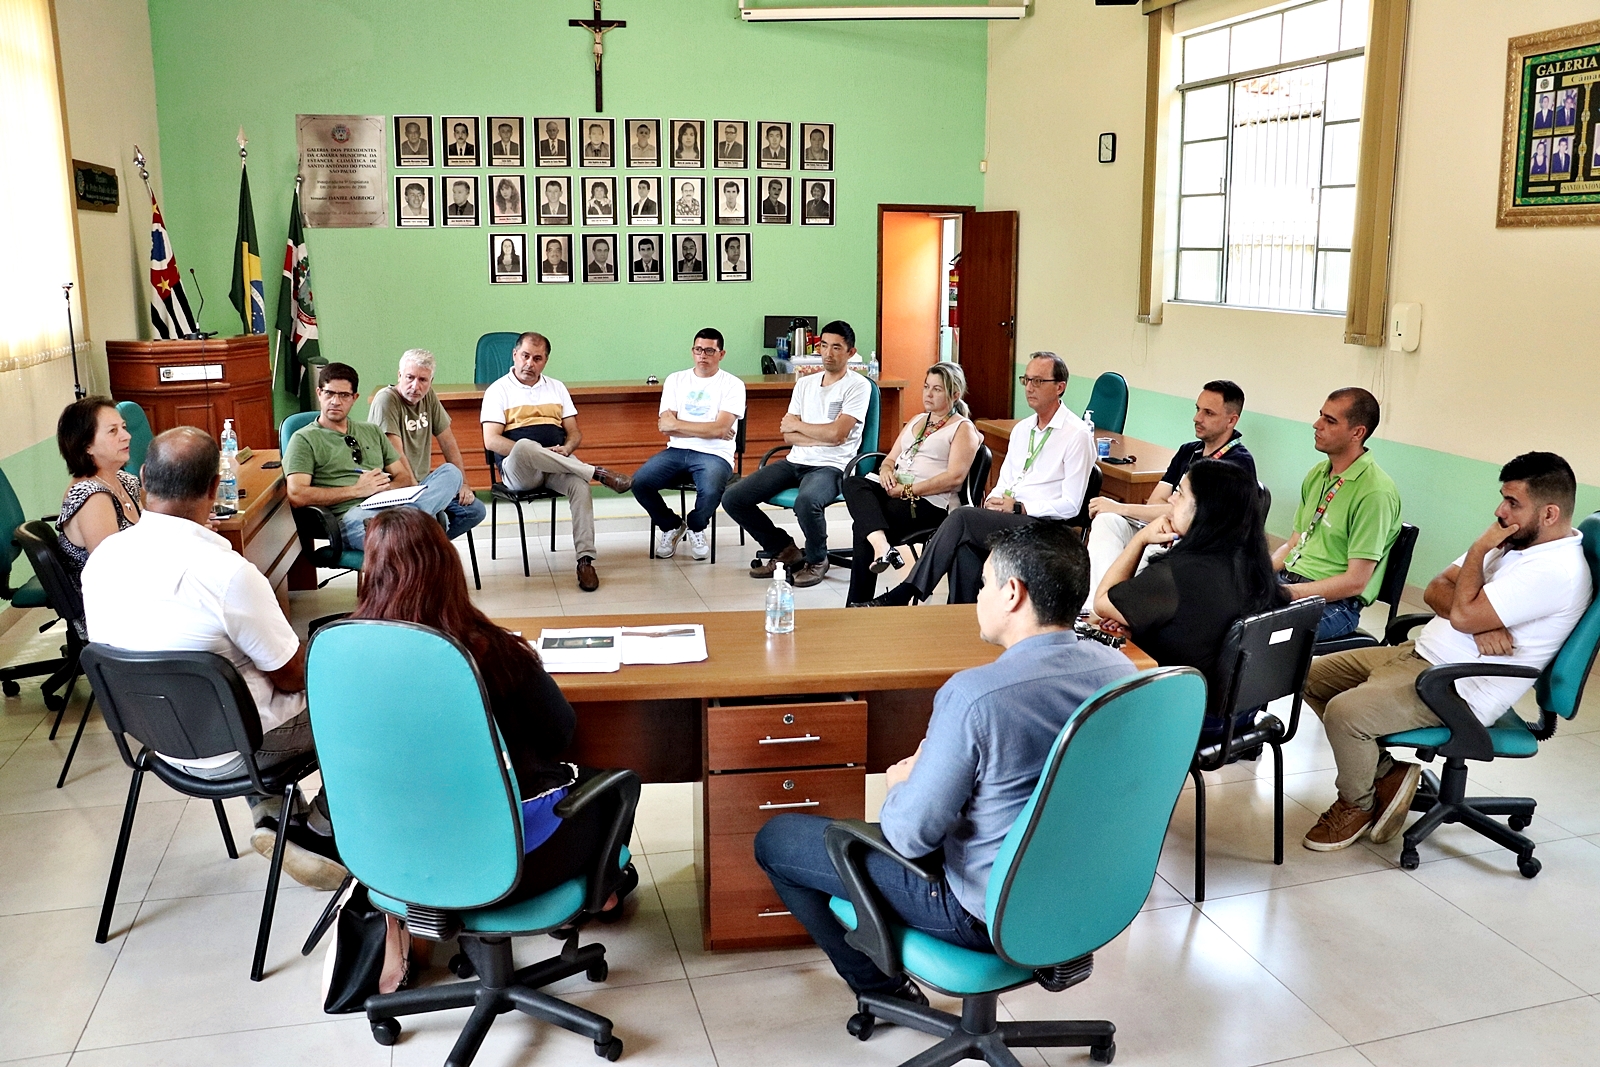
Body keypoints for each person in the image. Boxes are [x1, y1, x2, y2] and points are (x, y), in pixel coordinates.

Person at [754, 521, 1135, 1001]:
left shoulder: (977, 695)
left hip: (981, 913)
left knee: (777, 840)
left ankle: (882, 990)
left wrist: (900, 786)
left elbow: (910, 837)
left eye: (982, 584)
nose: (977, 595)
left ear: (1012, 594)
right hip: (1086, 896)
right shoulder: (1119, 670)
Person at [83, 427, 346, 890]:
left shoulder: (102, 560)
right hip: (237, 750)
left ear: (143, 478)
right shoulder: (228, 575)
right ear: (213, 488)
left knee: (230, 688)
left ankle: (272, 817)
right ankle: (318, 829)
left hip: (155, 739)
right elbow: (291, 677)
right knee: (364, 699)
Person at [1300, 452, 1592, 852]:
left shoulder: (1554, 569)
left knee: (1346, 714)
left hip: (1457, 685)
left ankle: (1357, 804)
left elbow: (1463, 613)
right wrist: (1474, 617)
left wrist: (1477, 555)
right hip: (1420, 653)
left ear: (1550, 513)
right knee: (1309, 677)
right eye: (1503, 498)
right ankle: (1388, 775)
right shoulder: (1516, 541)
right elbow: (1438, 588)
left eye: (1512, 503)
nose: (1500, 511)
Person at [350, 507, 638, 908]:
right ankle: (604, 894)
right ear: (447, 566)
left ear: (371, 571)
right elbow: (560, 733)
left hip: (399, 860)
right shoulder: (490, 652)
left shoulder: (346, 658)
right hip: (507, 865)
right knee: (614, 787)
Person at [866, 353, 1095, 606]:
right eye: (1026, 379)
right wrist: (995, 500)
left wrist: (1021, 508)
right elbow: (1005, 481)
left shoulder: (1077, 435)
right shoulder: (1022, 429)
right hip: (1011, 516)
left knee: (962, 517)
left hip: (1045, 525)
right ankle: (959, 615)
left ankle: (904, 593)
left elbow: (1072, 505)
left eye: (1038, 381)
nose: (1029, 387)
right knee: (965, 546)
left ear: (1060, 387)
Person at [1093, 459, 1287, 735]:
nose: (1171, 500)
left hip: (1182, 716)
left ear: (1206, 510)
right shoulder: (1253, 564)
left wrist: (1140, 539)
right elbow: (1196, 625)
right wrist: (1139, 625)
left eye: (1181, 494)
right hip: (1241, 712)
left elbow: (1102, 602)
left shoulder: (1175, 575)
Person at [722, 320, 872, 587]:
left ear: (851, 352)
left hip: (832, 465)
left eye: (836, 347)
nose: (828, 353)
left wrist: (804, 429)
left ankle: (817, 560)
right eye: (824, 345)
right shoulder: (805, 384)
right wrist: (821, 434)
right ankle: (783, 549)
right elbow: (788, 435)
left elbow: (838, 435)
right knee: (733, 498)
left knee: (807, 501)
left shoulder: (858, 386)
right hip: (795, 460)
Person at [480, 332, 633, 592]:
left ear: (545, 361)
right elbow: (491, 440)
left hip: (555, 465)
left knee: (580, 486)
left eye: (537, 358)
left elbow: (574, 432)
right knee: (526, 446)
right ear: (515, 355)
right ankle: (597, 472)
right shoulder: (498, 390)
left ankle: (585, 561)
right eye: (525, 356)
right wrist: (536, 452)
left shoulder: (557, 387)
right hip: (519, 471)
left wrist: (567, 448)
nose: (530, 363)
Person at [1086, 379, 1256, 594]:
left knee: (1153, 547)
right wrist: (1168, 518)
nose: (1197, 418)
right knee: (1107, 521)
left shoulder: (1237, 464)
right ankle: (1095, 605)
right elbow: (1156, 501)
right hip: (1164, 527)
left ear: (1231, 420)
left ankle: (1117, 603)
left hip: (1194, 545)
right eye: (1197, 409)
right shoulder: (1188, 451)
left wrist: (1122, 507)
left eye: (1208, 413)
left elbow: (1197, 517)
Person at [285, 362, 469, 551]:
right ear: (319, 393)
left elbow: (404, 477)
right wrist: (357, 490)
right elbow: (297, 494)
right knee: (417, 540)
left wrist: (381, 489)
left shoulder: (371, 431)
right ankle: (413, 525)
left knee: (451, 473)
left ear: (354, 398)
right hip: (352, 515)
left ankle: (408, 523)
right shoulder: (304, 439)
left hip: (391, 506)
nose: (335, 401)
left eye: (344, 395)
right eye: (329, 393)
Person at [841, 363, 981, 605]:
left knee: (864, 525)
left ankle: (856, 603)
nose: (928, 394)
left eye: (937, 389)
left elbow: (954, 478)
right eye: (926, 387)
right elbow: (889, 459)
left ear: (955, 394)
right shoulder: (918, 419)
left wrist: (907, 490)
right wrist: (886, 471)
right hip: (897, 491)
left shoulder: (962, 428)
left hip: (928, 502)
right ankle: (881, 546)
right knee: (854, 483)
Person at [1273, 387, 1402, 641]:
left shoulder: (1375, 493)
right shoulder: (1318, 474)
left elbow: (1355, 581)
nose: (1316, 424)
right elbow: (1292, 543)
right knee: (1221, 607)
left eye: (1330, 421)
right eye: (1321, 415)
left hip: (1333, 605)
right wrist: (1256, 574)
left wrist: (1290, 594)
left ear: (1357, 433)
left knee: (1257, 634)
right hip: (1289, 582)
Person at [630, 329, 746, 561]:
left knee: (711, 489)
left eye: (709, 351)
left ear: (721, 354)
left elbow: (720, 429)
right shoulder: (676, 380)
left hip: (715, 454)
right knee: (639, 482)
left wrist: (680, 425)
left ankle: (696, 526)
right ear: (692, 351)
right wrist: (709, 428)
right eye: (698, 349)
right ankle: (671, 526)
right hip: (676, 450)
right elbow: (665, 426)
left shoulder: (733, 384)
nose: (702, 355)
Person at [367, 348, 486, 542]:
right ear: (399, 375)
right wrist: (417, 493)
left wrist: (464, 483)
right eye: (410, 377)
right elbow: (397, 454)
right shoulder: (386, 400)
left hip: (423, 486)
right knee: (436, 518)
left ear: (431, 381)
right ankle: (417, 529)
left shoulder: (428, 396)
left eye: (422, 380)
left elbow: (448, 442)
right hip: (396, 487)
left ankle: (415, 540)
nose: (415, 386)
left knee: (474, 510)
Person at [55, 397, 141, 580]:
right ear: (87, 446)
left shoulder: (124, 480)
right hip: (109, 594)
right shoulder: (91, 497)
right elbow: (112, 572)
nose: (127, 436)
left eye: (123, 427)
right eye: (113, 431)